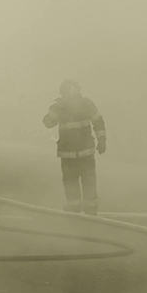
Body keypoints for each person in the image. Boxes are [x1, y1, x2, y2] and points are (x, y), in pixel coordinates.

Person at [42, 79, 106, 214]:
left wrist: (56, 108)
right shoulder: (87, 103)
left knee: (70, 180)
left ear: (64, 91)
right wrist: (102, 140)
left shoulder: (60, 106)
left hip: (68, 154)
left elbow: (48, 122)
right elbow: (98, 121)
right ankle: (91, 209)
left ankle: (74, 207)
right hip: (86, 152)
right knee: (89, 180)